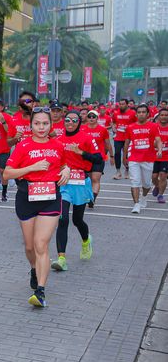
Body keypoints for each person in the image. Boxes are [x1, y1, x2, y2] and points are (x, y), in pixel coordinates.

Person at [4, 106, 70, 308]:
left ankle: (40, 291)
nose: (41, 127)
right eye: (37, 123)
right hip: (26, 198)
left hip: (50, 198)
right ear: (31, 125)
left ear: (51, 125)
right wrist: (31, 167)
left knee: (41, 244)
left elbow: (63, 164)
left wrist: (66, 170)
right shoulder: (23, 146)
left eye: (45, 123)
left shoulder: (58, 145)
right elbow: (7, 173)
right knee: (30, 246)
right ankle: (34, 268)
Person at [51, 112, 101, 272]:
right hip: (64, 184)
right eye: (67, 120)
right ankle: (61, 259)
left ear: (79, 122)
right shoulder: (58, 140)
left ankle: (86, 240)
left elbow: (98, 159)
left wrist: (82, 153)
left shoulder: (86, 138)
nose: (70, 123)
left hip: (80, 184)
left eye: (74, 120)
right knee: (63, 219)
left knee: (77, 220)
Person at [124, 104, 163, 214]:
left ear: (147, 114)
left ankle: (144, 197)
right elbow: (126, 143)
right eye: (139, 112)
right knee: (135, 181)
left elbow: (158, 140)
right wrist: (124, 157)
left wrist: (160, 150)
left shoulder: (153, 126)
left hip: (148, 159)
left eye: (143, 112)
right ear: (136, 114)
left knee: (146, 184)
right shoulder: (130, 127)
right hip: (134, 158)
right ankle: (136, 204)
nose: (141, 114)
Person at [83, 110, 113, 207]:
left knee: (95, 179)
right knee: (88, 180)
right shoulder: (82, 129)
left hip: (98, 157)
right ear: (87, 118)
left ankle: (92, 199)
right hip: (86, 157)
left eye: (94, 117)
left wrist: (111, 156)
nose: (91, 118)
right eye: (89, 116)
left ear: (97, 118)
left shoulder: (103, 130)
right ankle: (88, 196)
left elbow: (107, 143)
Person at [112, 98, 137, 180]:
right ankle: (118, 171)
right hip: (118, 136)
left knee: (127, 154)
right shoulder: (116, 113)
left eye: (123, 104)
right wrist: (113, 127)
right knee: (117, 153)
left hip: (128, 137)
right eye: (120, 104)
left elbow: (137, 123)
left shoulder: (132, 113)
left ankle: (127, 170)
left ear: (127, 105)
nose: (121, 105)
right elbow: (113, 122)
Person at [152, 108, 168, 204]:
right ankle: (157, 186)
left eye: (166, 115)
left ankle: (160, 195)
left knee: (163, 175)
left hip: (166, 156)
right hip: (153, 156)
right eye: (162, 115)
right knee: (154, 177)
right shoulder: (154, 127)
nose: (164, 117)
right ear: (158, 116)